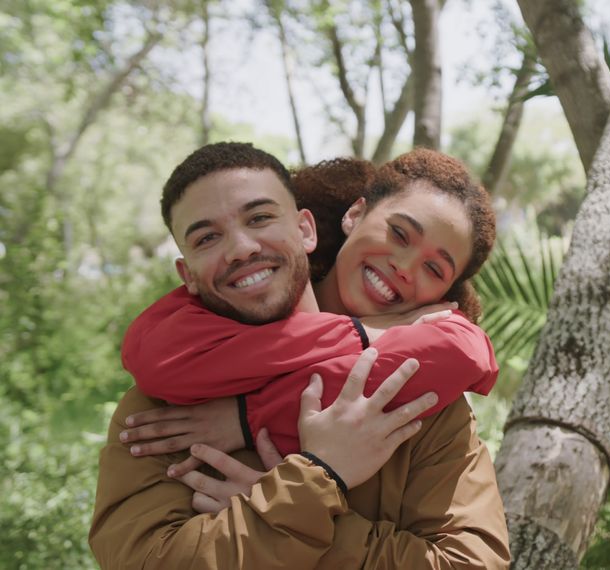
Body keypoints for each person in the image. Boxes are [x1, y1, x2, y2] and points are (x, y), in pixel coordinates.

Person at [89, 143, 510, 568]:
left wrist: (299, 501)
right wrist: (308, 486)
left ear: (304, 229)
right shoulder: (162, 412)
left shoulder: (423, 398)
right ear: (188, 275)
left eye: (259, 218)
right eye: (207, 237)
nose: (241, 248)